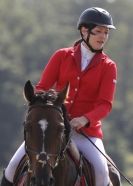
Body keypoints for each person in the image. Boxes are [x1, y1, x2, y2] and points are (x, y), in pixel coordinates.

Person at [1, 7, 117, 186]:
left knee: (103, 173)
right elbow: (42, 87)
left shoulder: (109, 66)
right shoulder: (62, 56)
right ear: (84, 30)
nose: (103, 37)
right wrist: (45, 108)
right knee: (11, 168)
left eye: (106, 32)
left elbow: (105, 104)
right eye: (98, 31)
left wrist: (84, 119)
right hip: (51, 130)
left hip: (86, 132)